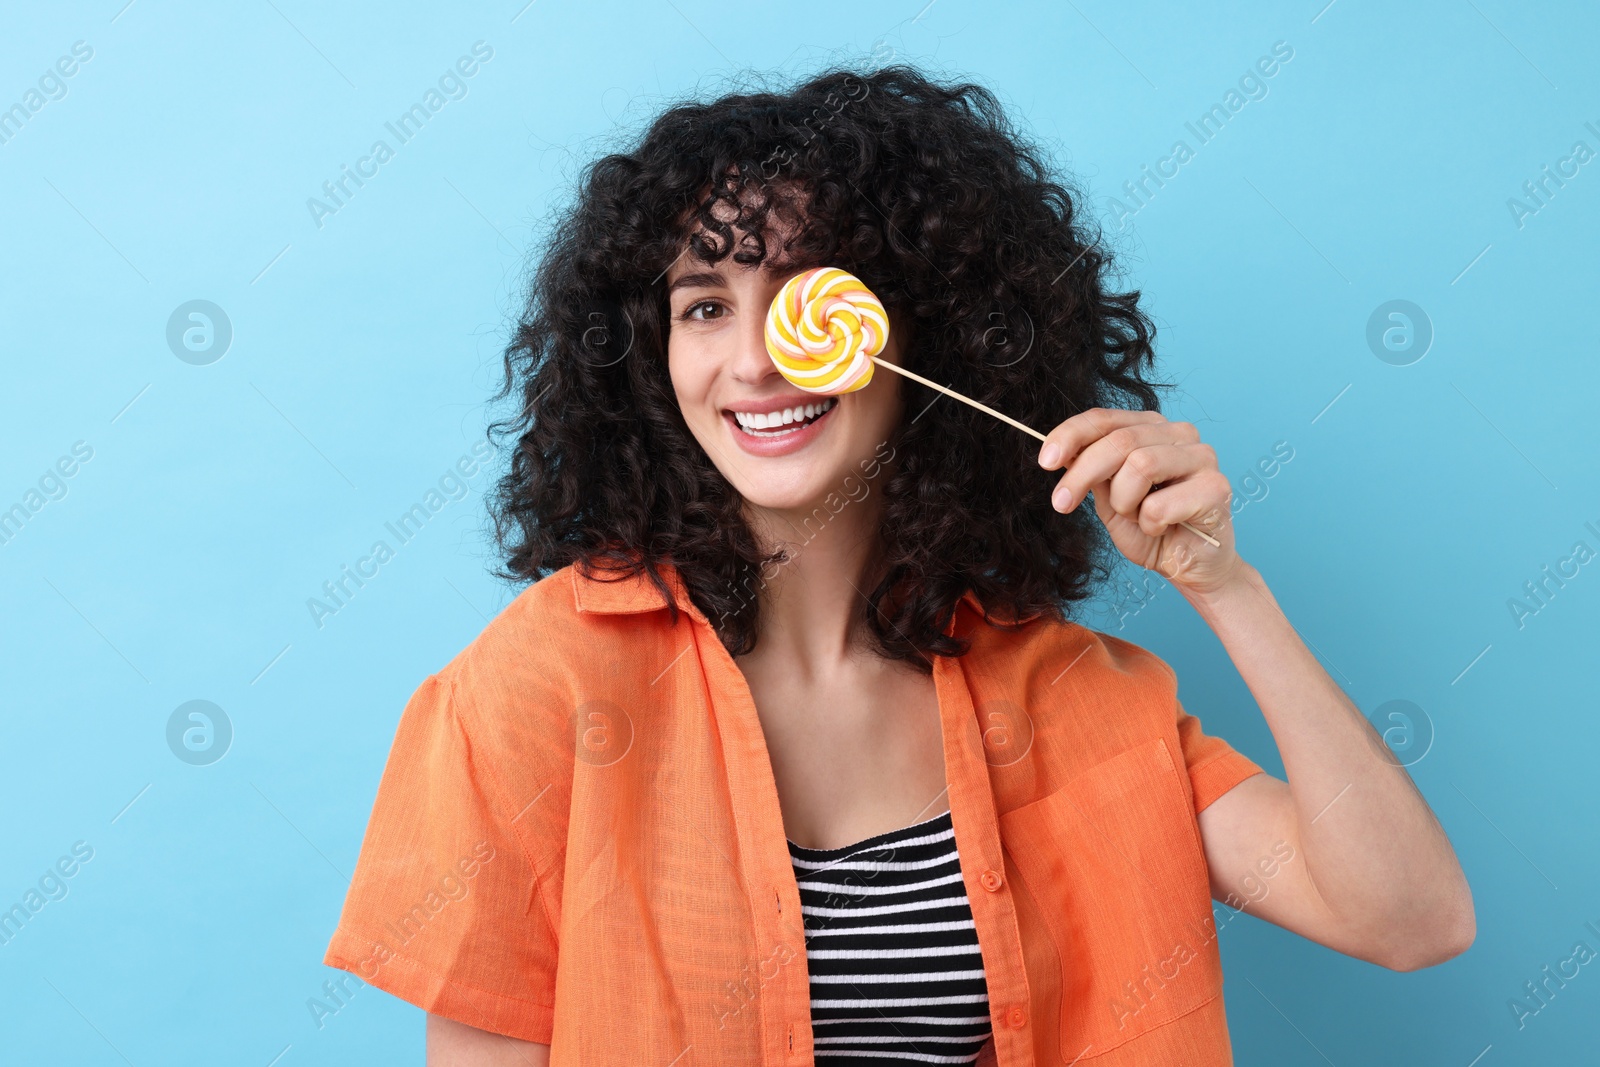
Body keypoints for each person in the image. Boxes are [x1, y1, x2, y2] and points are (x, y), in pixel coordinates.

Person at [323, 63, 1474, 1066]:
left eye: (807, 295)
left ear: (930, 330)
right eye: (705, 304)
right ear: (647, 355)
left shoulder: (1075, 698)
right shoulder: (535, 688)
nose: (758, 361)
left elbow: (1410, 918)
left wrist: (1227, 586)